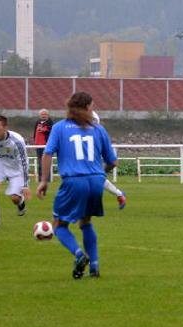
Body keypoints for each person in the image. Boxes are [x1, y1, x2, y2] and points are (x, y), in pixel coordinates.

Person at [36, 92, 117, 279]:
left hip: (73, 181)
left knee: (59, 225)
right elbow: (112, 161)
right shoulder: (98, 129)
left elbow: (48, 154)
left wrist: (44, 181)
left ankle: (80, 255)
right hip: (96, 181)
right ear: (87, 107)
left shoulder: (59, 128)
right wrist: (98, 174)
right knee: (86, 221)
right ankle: (94, 266)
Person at [90, 111, 127, 209]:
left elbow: (112, 159)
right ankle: (120, 194)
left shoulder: (98, 132)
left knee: (96, 179)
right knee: (97, 180)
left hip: (93, 161)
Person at [33, 109, 54, 182]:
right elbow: (35, 133)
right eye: (42, 114)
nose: (43, 116)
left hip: (46, 145)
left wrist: (44, 130)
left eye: (45, 114)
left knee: (46, 162)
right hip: (38, 145)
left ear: (47, 115)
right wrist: (35, 141)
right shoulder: (37, 122)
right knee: (40, 162)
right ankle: (40, 179)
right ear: (40, 115)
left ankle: (47, 179)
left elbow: (51, 133)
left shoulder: (50, 123)